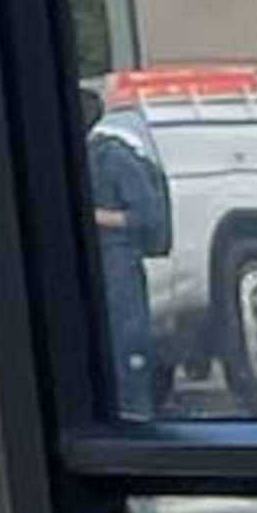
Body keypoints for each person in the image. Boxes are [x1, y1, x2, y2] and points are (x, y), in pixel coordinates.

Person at [85, 85, 172, 413]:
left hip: (119, 262)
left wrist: (98, 217)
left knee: (127, 349)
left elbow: (148, 215)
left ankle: (136, 417)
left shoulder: (114, 158)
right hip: (100, 263)